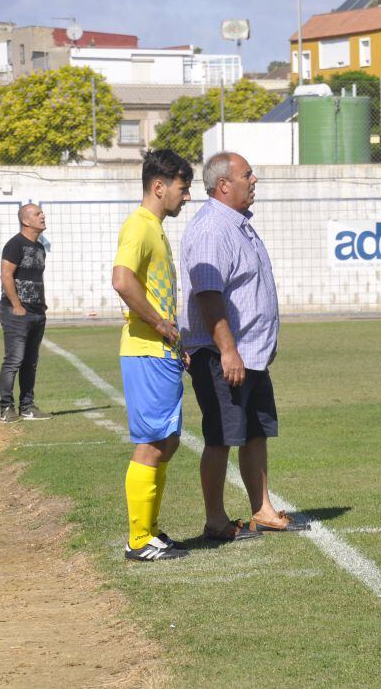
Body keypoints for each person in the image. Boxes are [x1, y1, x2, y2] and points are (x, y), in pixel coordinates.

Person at [180, 151, 308, 542]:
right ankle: (216, 520)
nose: (254, 181)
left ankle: (262, 510)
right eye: (247, 175)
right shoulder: (212, 229)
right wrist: (229, 350)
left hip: (250, 355)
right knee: (221, 437)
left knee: (255, 432)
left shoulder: (238, 225)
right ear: (224, 185)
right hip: (223, 357)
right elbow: (208, 294)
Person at [111, 149, 194, 562]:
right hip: (145, 351)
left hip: (160, 352)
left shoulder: (155, 228)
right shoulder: (140, 227)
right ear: (158, 187)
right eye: (183, 188)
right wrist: (161, 326)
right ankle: (140, 539)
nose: (187, 196)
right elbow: (122, 281)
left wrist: (175, 341)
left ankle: (151, 532)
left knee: (168, 440)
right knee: (153, 443)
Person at [0, 203, 51, 423]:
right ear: (26, 221)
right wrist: (17, 305)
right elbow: (6, 275)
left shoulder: (40, 247)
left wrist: (41, 307)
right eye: (38, 214)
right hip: (16, 312)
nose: (43, 216)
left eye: (42, 213)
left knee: (30, 362)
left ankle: (27, 407)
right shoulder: (15, 244)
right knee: (14, 360)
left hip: (38, 313)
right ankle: (6, 408)